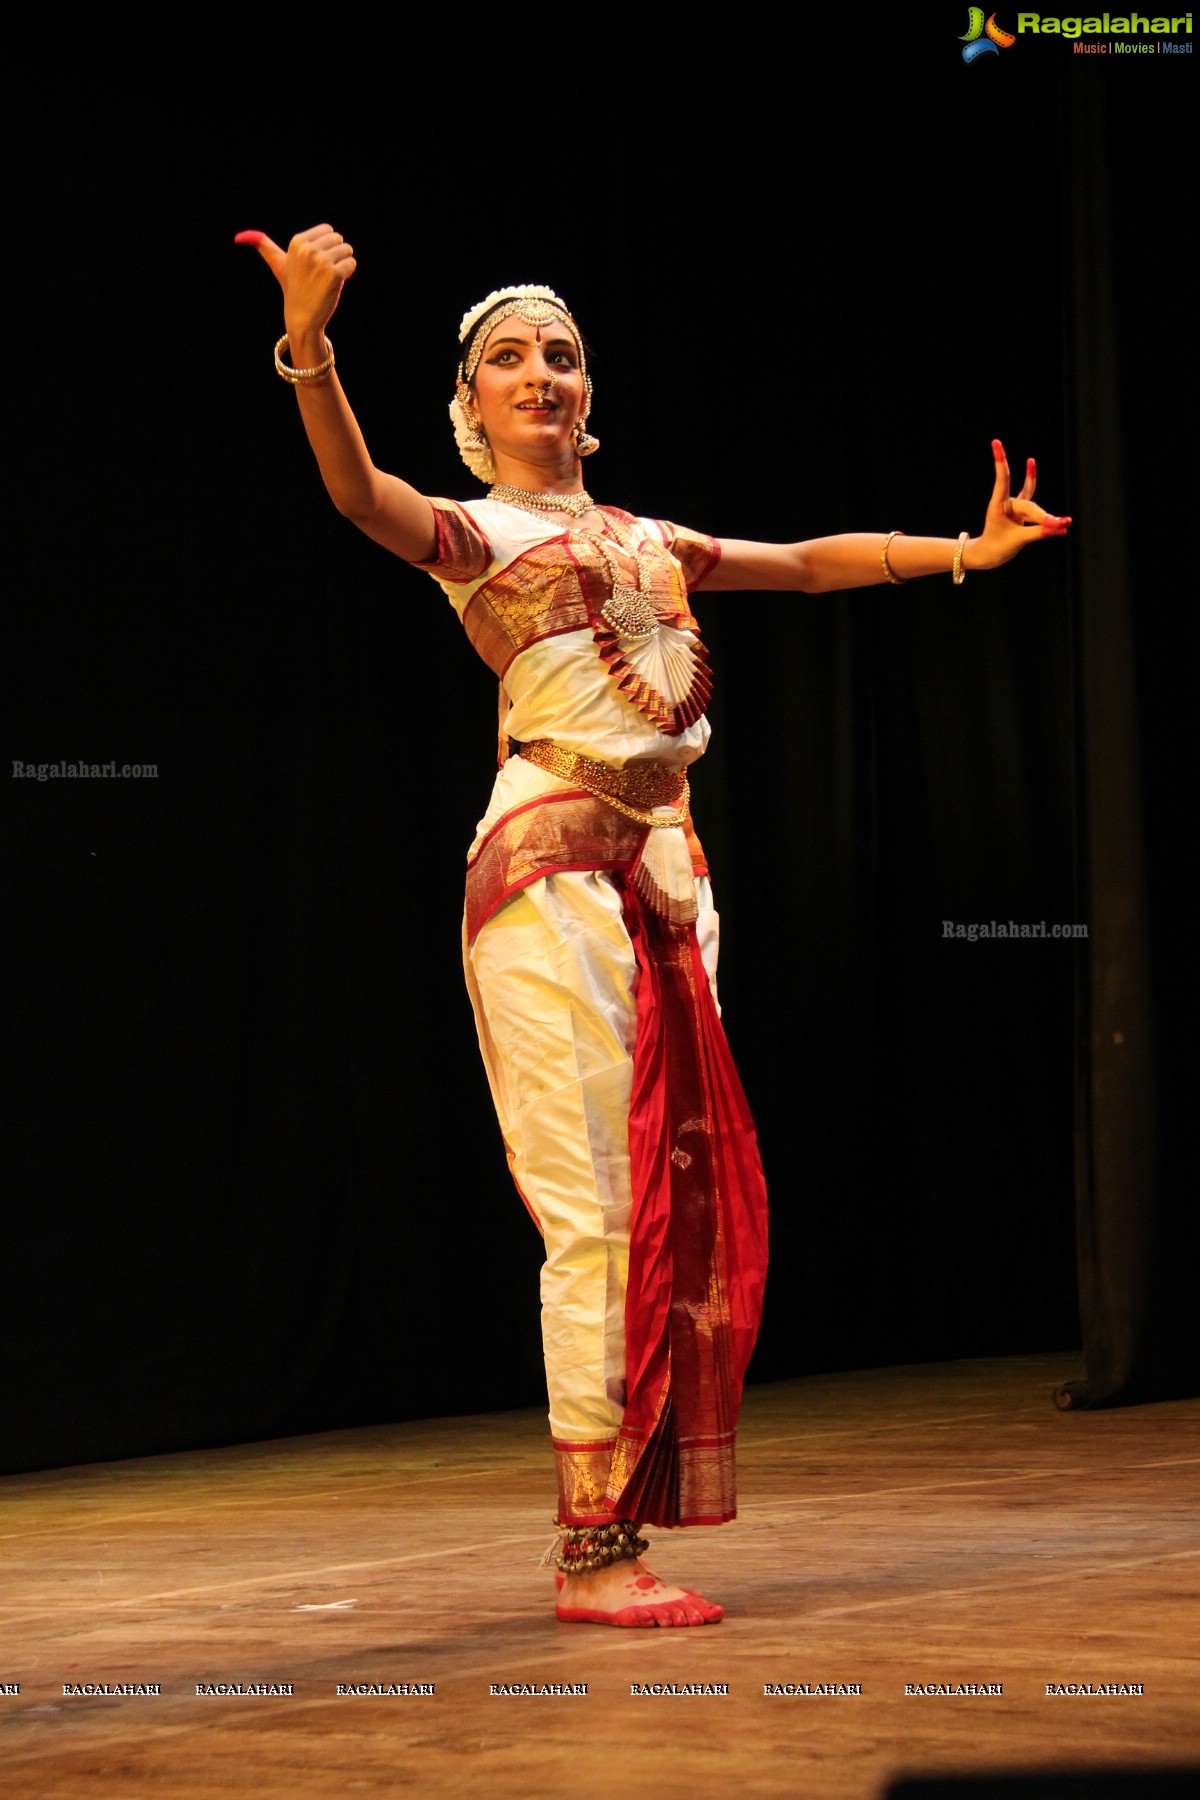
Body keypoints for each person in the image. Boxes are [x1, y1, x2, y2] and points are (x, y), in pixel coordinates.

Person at [235, 223, 1071, 1630]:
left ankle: (623, 1531)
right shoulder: (479, 535)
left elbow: (804, 566)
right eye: (509, 358)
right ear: (471, 403)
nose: (542, 373)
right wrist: (308, 348)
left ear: (588, 393)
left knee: (674, 1210)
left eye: (561, 353)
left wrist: (966, 554)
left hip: (670, 878)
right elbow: (360, 496)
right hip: (550, 860)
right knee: (599, 1215)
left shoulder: (646, 538)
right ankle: (594, 1554)